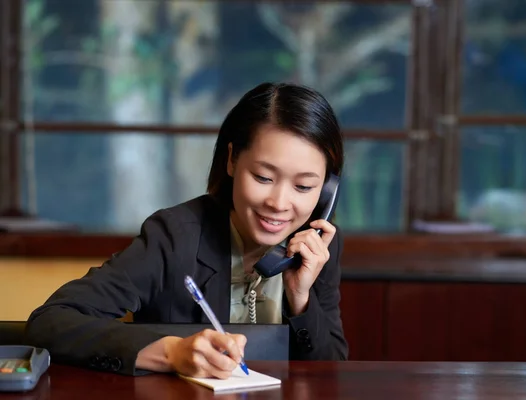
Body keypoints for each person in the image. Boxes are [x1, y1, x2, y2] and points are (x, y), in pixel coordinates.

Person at [24, 82, 348, 379]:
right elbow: (51, 321)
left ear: (325, 191)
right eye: (263, 178)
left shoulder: (316, 247)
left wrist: (301, 298)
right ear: (232, 160)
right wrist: (170, 351)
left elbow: (331, 371)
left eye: (304, 186)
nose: (279, 203)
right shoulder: (174, 236)